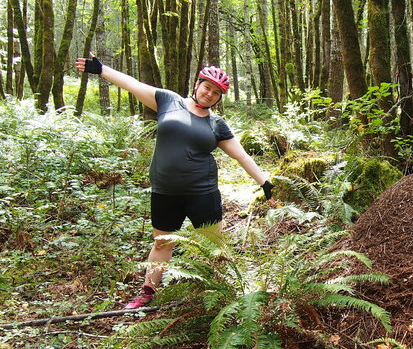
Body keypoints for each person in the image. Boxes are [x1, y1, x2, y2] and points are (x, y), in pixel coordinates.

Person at [75, 54, 274, 309]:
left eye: (216, 92)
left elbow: (242, 156)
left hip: (203, 193)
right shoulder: (169, 101)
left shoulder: (216, 124)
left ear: (220, 98)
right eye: (207, 87)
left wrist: (265, 183)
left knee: (213, 247)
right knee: (162, 242)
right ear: (197, 84)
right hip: (165, 192)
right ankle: (148, 292)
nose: (210, 94)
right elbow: (132, 83)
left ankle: (216, 293)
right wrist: (101, 69)